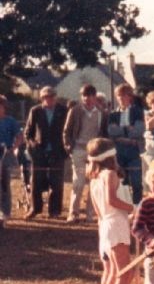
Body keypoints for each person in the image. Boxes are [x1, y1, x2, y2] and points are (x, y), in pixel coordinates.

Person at [86, 137, 143, 284]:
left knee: (110, 270)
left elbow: (98, 210)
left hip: (105, 225)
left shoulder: (94, 179)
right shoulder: (110, 174)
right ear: (112, 155)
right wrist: (133, 208)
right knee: (124, 271)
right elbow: (112, 201)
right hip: (115, 225)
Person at [63, 84, 109, 223]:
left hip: (94, 152)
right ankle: (73, 213)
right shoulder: (75, 110)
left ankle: (90, 214)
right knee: (78, 183)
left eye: (90, 96)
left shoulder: (102, 113)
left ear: (95, 97)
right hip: (78, 150)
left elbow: (104, 133)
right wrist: (69, 147)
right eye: (84, 95)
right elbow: (67, 131)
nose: (87, 99)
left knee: (94, 183)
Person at [23, 86, 69, 219]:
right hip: (39, 152)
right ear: (42, 98)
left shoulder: (63, 111)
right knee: (36, 182)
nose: (49, 99)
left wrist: (65, 150)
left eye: (52, 97)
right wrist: (33, 147)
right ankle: (35, 209)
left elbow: (69, 131)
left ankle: (54, 211)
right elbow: (28, 133)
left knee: (56, 183)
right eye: (46, 97)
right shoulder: (35, 111)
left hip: (57, 152)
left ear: (55, 97)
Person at [108, 84, 145, 204]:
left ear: (130, 97)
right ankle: (124, 206)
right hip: (119, 150)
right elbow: (111, 132)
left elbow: (139, 131)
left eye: (124, 95)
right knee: (120, 181)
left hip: (134, 150)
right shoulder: (113, 114)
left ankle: (137, 207)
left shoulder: (138, 112)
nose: (121, 98)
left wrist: (121, 132)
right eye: (118, 96)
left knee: (136, 181)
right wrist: (127, 129)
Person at [0, 95, 22, 227]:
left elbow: (20, 136)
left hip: (5, 153)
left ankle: (5, 213)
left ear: (4, 107)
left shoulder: (10, 121)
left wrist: (13, 148)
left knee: (4, 184)